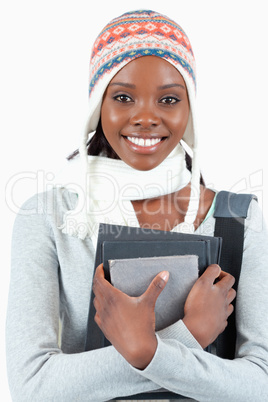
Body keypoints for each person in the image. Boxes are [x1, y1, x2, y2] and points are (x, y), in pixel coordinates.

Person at [6, 9, 268, 402]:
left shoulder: (239, 219)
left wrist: (150, 350)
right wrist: (184, 337)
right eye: (124, 96)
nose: (146, 117)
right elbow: (33, 385)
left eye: (169, 99)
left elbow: (260, 383)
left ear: (189, 109)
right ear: (99, 104)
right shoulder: (49, 217)